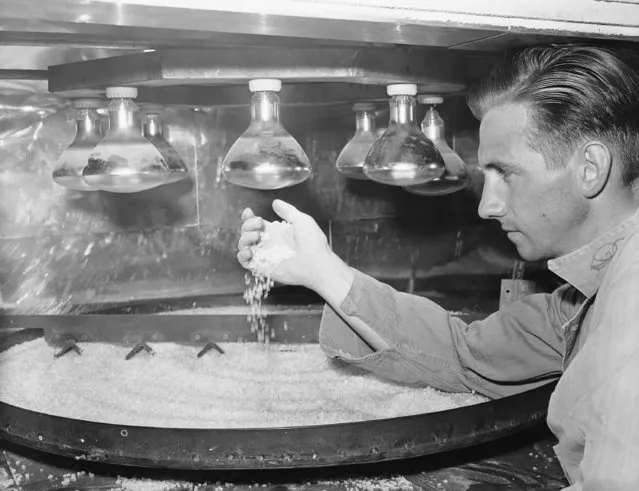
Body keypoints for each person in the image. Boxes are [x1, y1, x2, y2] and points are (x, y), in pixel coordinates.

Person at [237, 45, 639, 490]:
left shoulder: (631, 303)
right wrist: (319, 269)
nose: (488, 205)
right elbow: (466, 353)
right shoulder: (582, 296)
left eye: (505, 173)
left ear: (591, 168)